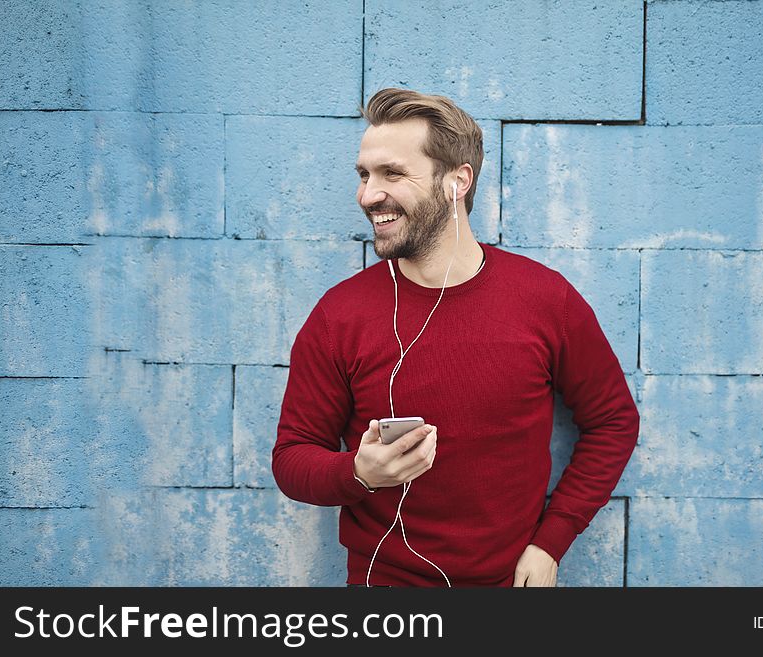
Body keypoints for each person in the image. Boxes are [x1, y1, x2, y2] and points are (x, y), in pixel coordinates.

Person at [272, 87, 640, 587]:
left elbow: (613, 422)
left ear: (457, 181)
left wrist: (551, 541)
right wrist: (358, 474)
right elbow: (293, 457)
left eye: (392, 174)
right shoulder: (339, 317)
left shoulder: (544, 300)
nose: (367, 195)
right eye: (364, 175)